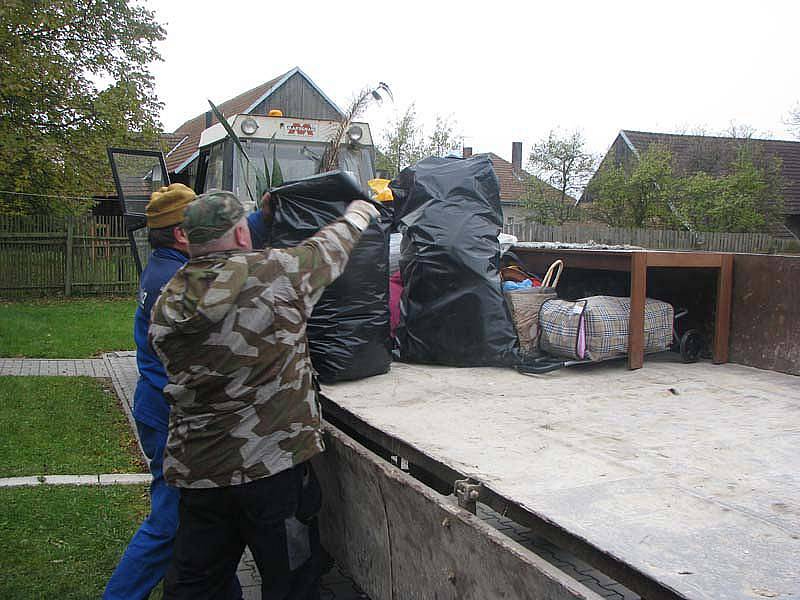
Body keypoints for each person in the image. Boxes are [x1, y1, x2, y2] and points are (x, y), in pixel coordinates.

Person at [149, 190, 379, 599]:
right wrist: (360, 211)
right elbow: (328, 249)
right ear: (241, 233)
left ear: (190, 239)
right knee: (291, 581)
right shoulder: (274, 274)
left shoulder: (170, 298)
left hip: (201, 471)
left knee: (196, 585)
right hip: (273, 469)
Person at [104, 183, 224, 599]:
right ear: (181, 234)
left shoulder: (163, 264)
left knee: (206, 518)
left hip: (159, 407)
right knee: (169, 523)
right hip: (171, 416)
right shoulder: (176, 280)